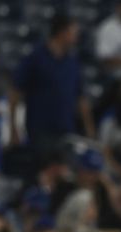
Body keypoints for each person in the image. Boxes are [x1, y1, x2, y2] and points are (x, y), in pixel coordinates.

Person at [10, 13, 94, 154]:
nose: (76, 37)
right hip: (41, 132)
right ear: (62, 32)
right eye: (73, 32)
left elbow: (81, 98)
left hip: (67, 132)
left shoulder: (72, 62)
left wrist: (90, 128)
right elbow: (15, 93)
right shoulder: (36, 58)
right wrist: (13, 128)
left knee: (67, 173)